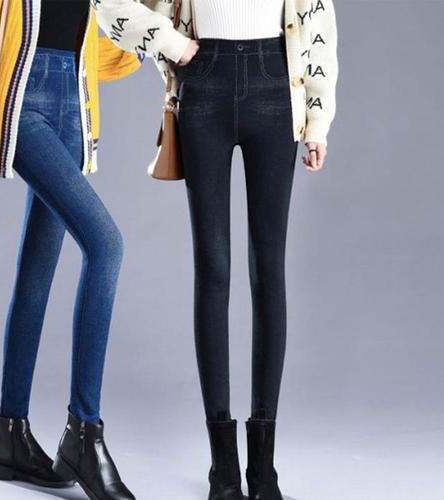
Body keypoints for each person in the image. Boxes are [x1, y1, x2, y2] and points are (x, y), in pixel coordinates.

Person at [93, 1, 338, 499]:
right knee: (213, 268)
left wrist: (318, 119)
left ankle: (263, 470)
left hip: (276, 81)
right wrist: (172, 43)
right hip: (203, 81)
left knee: (268, 270)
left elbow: (318, 21)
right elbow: (110, 7)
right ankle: (223, 468)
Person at [0, 1, 183, 499]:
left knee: (38, 268)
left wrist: (145, 36)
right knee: (106, 244)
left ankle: (10, 437)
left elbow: (92, 46)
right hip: (22, 102)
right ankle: (84, 432)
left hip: (74, 103)